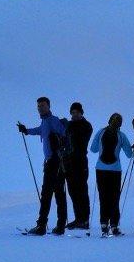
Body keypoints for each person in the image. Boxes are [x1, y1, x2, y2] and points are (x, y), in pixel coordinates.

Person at [16, 97, 69, 235]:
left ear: (49, 106)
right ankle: (60, 226)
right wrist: (26, 130)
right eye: (39, 106)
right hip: (55, 161)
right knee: (58, 193)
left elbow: (64, 134)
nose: (40, 108)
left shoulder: (53, 120)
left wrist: (59, 147)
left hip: (54, 162)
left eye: (43, 105)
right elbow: (40, 130)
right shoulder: (46, 121)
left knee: (47, 193)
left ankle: (41, 226)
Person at [89, 113, 134, 236]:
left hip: (100, 169)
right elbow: (130, 154)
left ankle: (104, 224)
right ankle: (114, 225)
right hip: (115, 170)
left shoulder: (101, 132)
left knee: (103, 197)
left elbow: (93, 149)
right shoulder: (121, 135)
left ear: (109, 121)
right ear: (120, 124)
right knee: (114, 198)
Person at [63, 102, 93, 232]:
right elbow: (65, 140)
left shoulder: (86, 125)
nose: (74, 115)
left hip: (80, 162)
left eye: (76, 112)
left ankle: (84, 220)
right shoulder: (70, 125)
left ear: (81, 113)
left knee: (82, 190)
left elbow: (80, 140)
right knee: (72, 191)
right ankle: (78, 218)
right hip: (69, 162)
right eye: (72, 113)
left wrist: (68, 125)